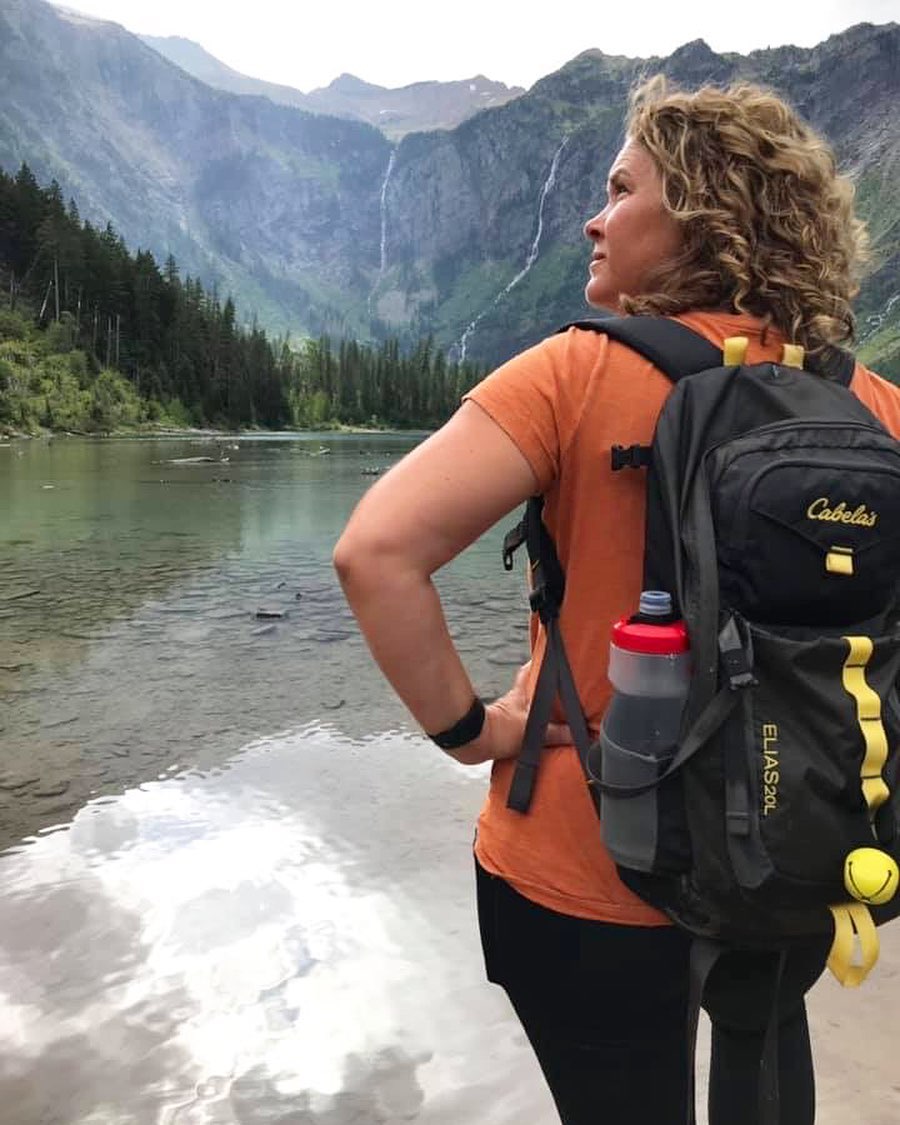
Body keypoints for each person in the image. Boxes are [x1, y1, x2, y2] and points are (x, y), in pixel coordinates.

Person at [333, 76, 900, 1124]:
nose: (594, 217)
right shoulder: (871, 408)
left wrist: (470, 730)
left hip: (584, 861)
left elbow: (375, 553)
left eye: (620, 187)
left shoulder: (573, 375)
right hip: (794, 843)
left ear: (700, 210)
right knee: (765, 1077)